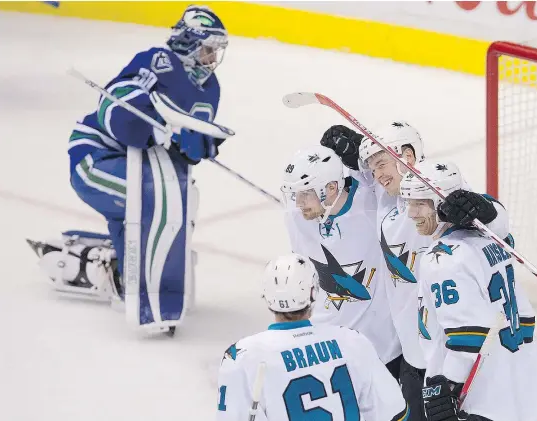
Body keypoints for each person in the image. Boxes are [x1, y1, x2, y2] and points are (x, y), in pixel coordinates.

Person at [26, 5, 230, 333]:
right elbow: (114, 110)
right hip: (97, 156)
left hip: (143, 167)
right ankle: (135, 278)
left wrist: (199, 147)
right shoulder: (159, 62)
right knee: (145, 197)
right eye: (207, 48)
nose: (212, 58)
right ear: (189, 43)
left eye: (216, 51)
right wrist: (159, 130)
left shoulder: (211, 88)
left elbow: (184, 147)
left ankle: (128, 263)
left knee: (179, 198)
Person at [320, 123, 511, 421]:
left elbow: (495, 223)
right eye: (373, 167)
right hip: (410, 354)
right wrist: (355, 149)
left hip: (450, 358)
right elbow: (368, 176)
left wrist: (483, 210)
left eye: (382, 163)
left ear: (408, 156)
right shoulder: (386, 194)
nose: (378, 174)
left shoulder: (438, 188)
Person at [400, 160, 537, 421]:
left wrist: (448, 388)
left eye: (419, 203)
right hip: (514, 384)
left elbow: (468, 334)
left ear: (442, 204)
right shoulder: (493, 241)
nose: (411, 213)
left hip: (476, 397)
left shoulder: (442, 257)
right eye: (408, 202)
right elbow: (527, 320)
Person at [216, 253, 410, 421]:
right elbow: (395, 414)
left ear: (266, 295)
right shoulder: (352, 342)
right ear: (313, 291)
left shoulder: (242, 356)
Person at [281, 145, 401, 375]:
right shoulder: (295, 215)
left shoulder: (372, 202)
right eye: (295, 194)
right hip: (325, 349)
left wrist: (358, 145)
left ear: (331, 187)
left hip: (382, 349)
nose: (298, 203)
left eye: (306, 193)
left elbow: (398, 172)